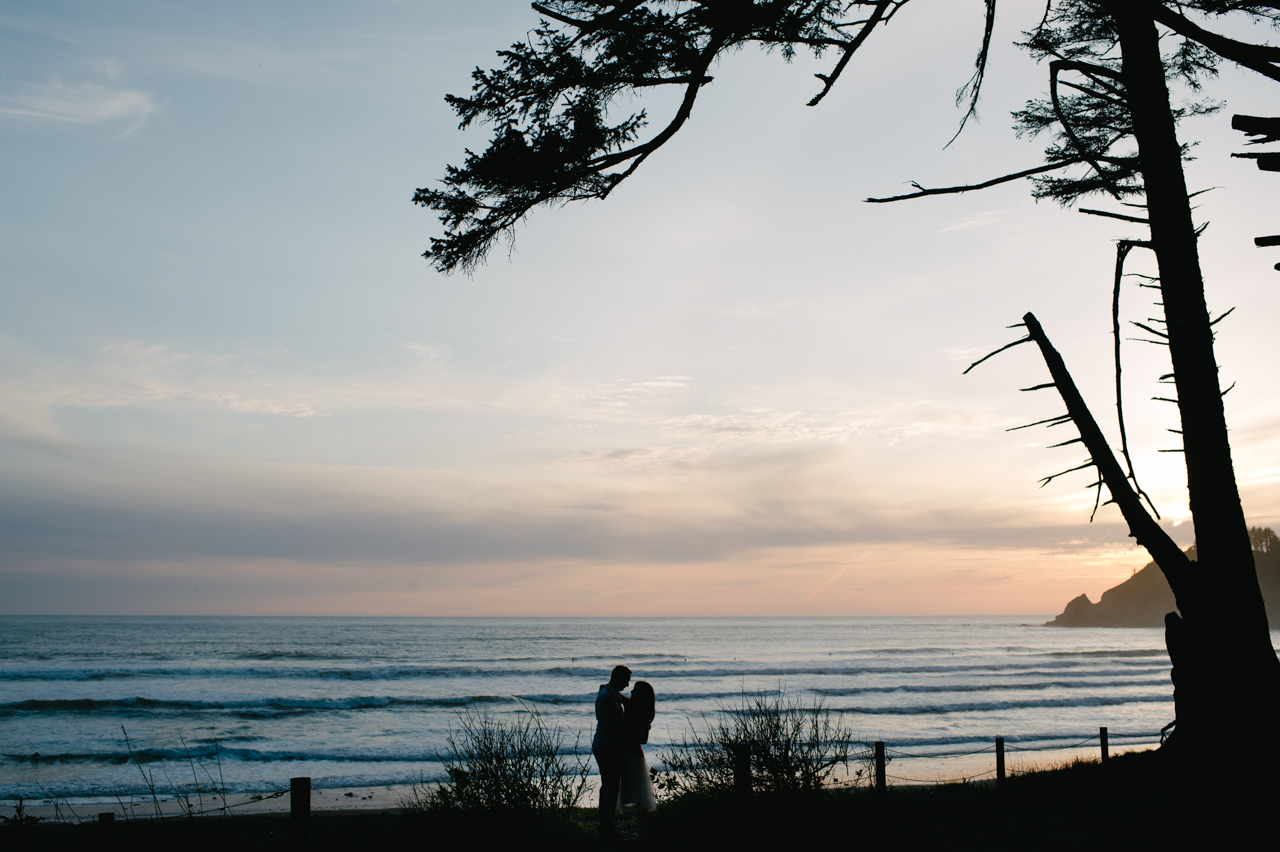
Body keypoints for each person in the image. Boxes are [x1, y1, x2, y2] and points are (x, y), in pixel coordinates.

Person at [592, 665, 630, 837]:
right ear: (618, 678)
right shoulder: (606, 696)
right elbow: (606, 724)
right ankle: (605, 826)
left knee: (612, 785)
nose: (628, 685)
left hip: (610, 745)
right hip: (606, 745)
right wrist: (622, 735)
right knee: (610, 785)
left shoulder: (612, 693)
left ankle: (607, 825)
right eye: (626, 680)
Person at [618, 680, 657, 814]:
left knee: (640, 797)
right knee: (636, 795)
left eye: (635, 690)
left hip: (634, 756)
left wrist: (627, 735)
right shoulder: (633, 707)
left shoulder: (641, 713)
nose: (631, 691)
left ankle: (644, 831)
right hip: (629, 753)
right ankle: (643, 831)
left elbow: (643, 739)